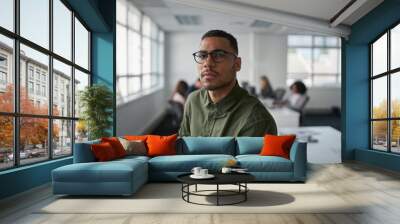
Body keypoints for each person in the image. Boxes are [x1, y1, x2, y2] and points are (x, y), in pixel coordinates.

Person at [179, 30, 277, 137]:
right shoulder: (193, 101)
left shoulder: (256, 119)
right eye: (202, 56)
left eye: (218, 55)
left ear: (237, 64)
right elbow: (183, 148)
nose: (207, 63)